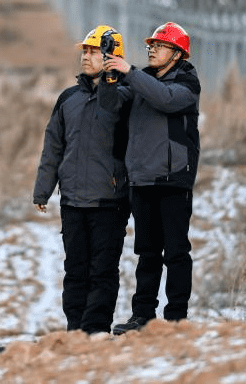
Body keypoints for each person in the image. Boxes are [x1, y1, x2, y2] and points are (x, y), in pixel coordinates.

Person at [102, 22, 201, 335]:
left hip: (173, 180)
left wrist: (130, 72)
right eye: (151, 45)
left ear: (177, 53)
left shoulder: (186, 81)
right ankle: (142, 317)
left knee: (175, 252)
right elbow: (109, 106)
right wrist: (109, 75)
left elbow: (166, 99)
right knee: (147, 253)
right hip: (142, 179)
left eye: (159, 45)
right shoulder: (139, 81)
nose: (152, 49)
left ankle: (176, 319)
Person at [33, 24, 131, 334]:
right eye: (84, 51)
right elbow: (54, 145)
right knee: (74, 271)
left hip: (109, 200)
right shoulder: (68, 98)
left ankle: (96, 330)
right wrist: (43, 190)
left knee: (102, 271)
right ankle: (75, 330)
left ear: (111, 56)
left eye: (93, 51)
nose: (85, 57)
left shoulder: (126, 98)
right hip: (73, 200)